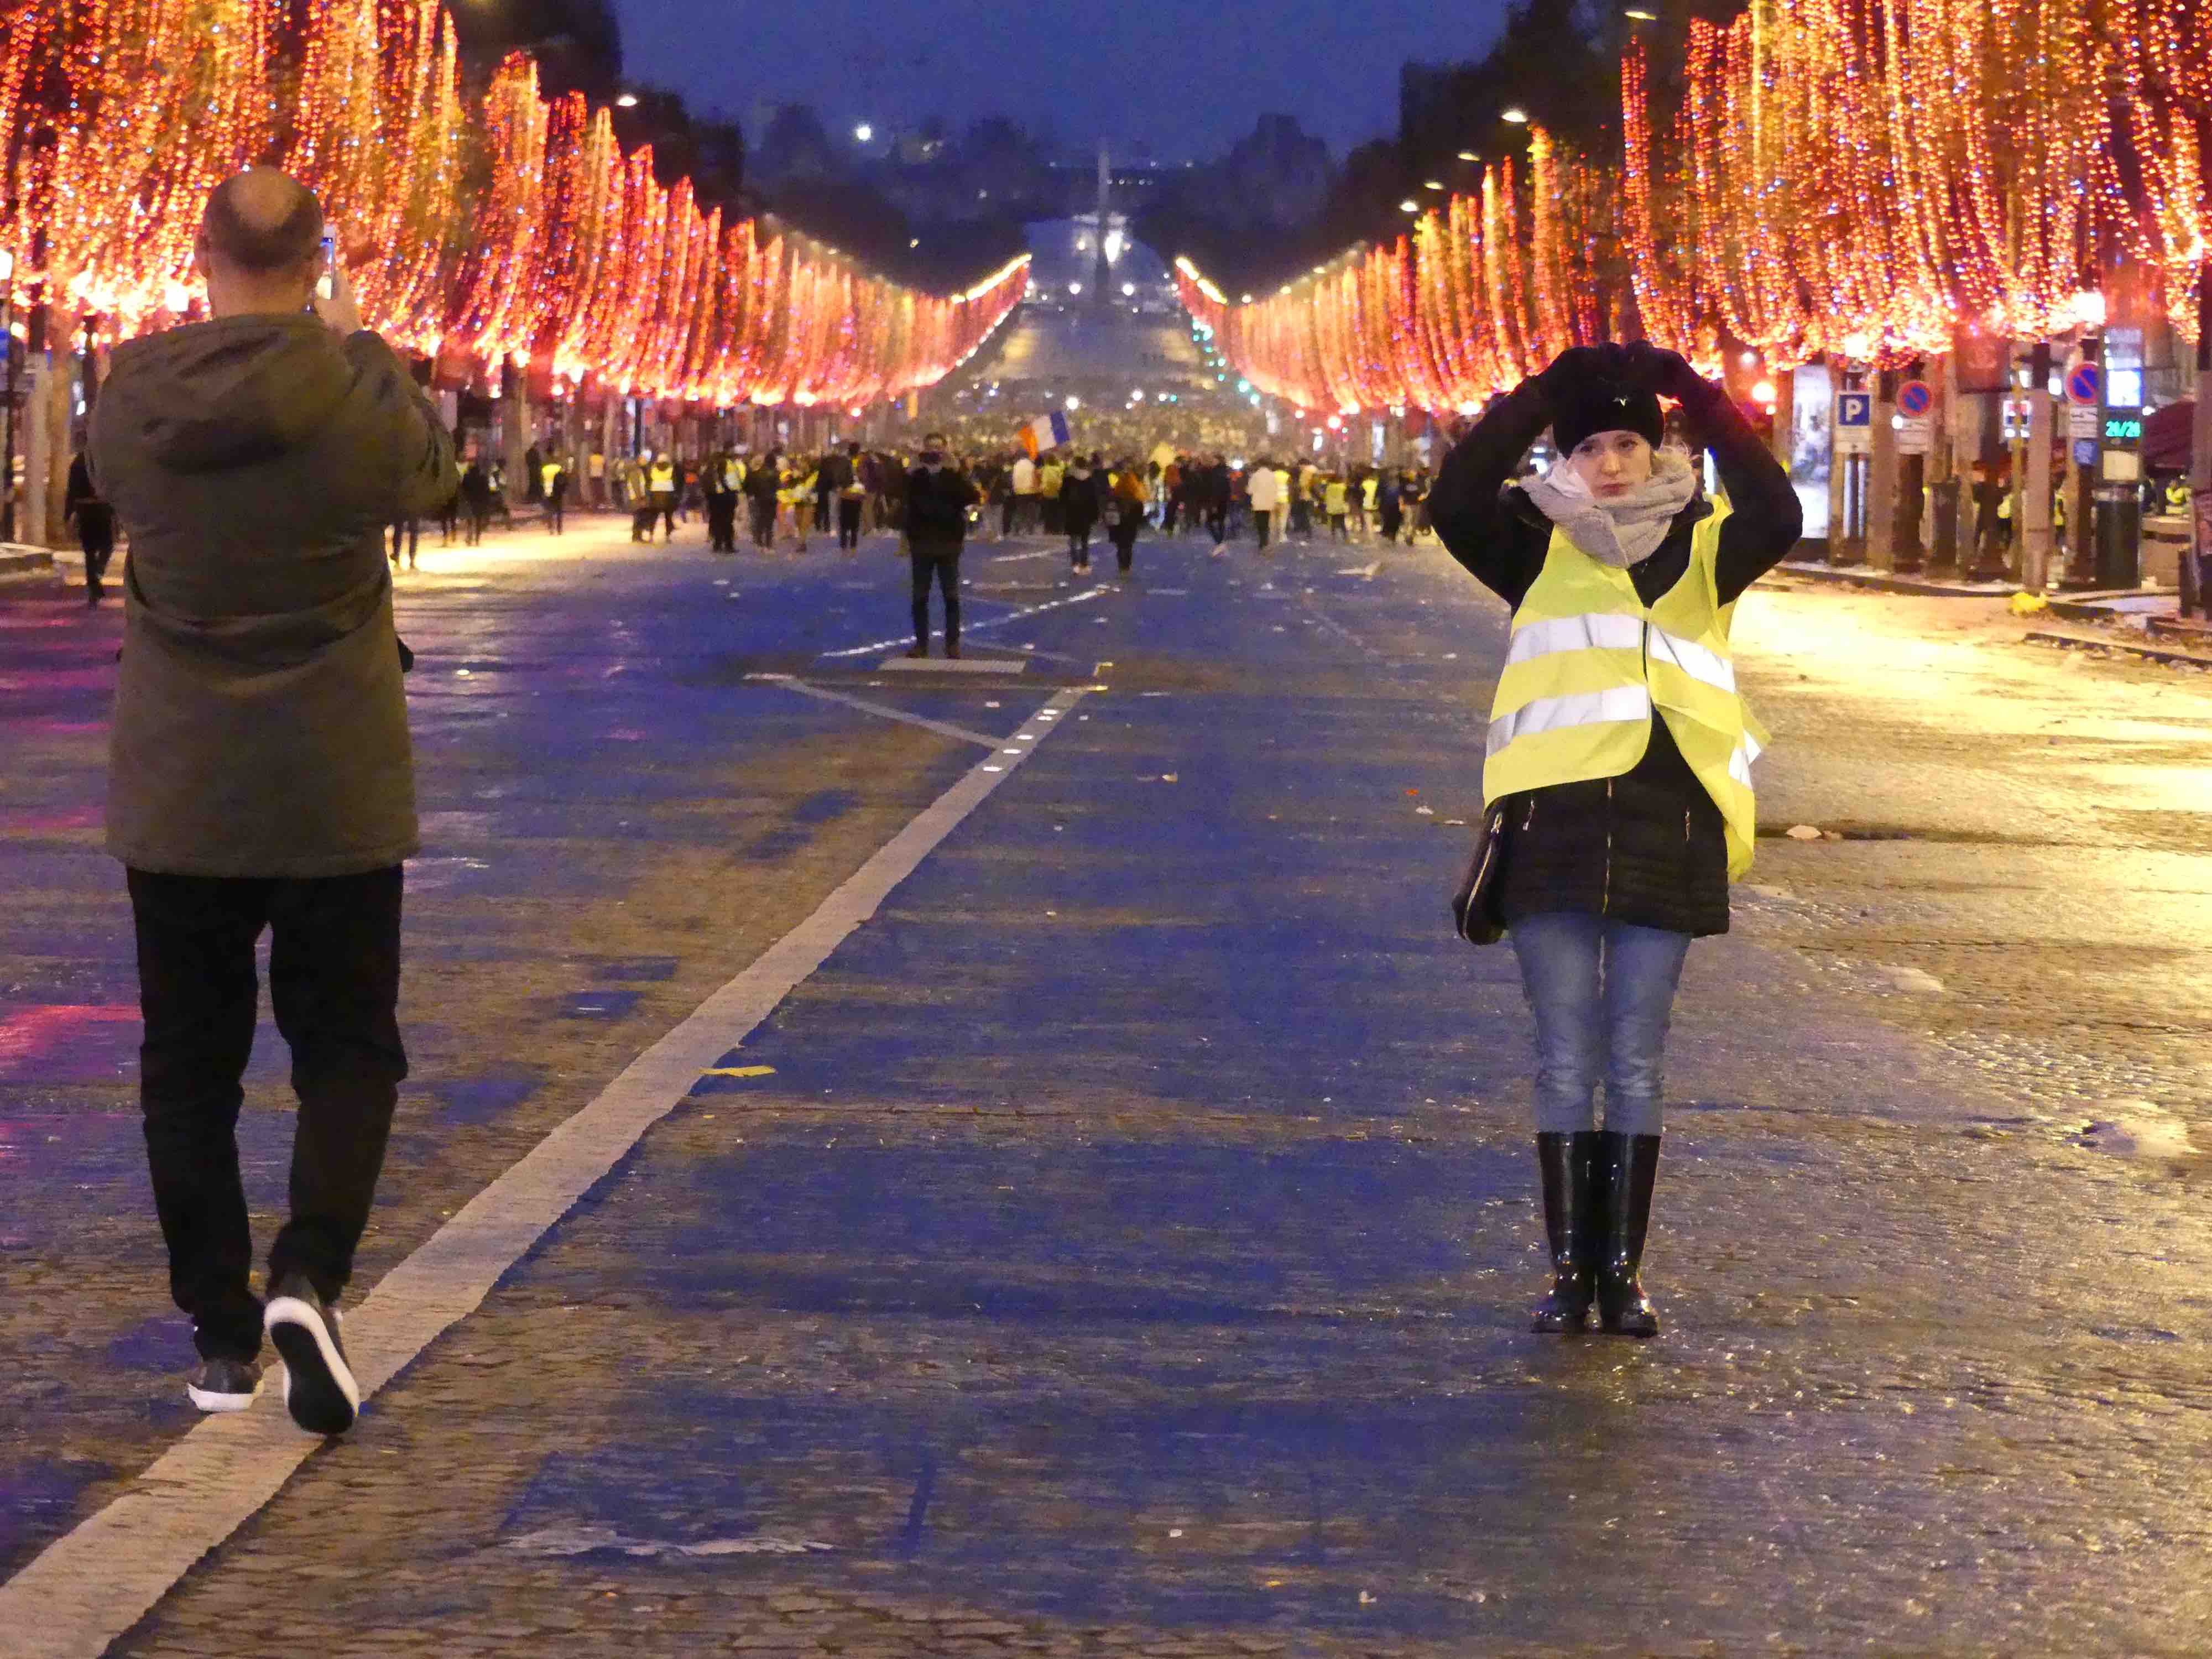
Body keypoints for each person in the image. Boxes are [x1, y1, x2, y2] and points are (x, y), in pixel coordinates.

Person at [90, 166, 458, 1433]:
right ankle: (312, 1269)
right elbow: (434, 472)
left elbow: (111, 491)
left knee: (185, 1066)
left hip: (182, 784)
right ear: (322, 259)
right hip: (335, 779)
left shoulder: (132, 394)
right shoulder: (359, 396)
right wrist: (358, 340)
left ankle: (219, 1331)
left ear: (197, 253)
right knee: (348, 1045)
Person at [1427, 340, 1801, 1339]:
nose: (1613, 462)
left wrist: (1705, 396)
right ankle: (1564, 1274)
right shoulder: (1529, 544)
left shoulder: (1712, 544)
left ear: (1657, 447)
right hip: (1549, 829)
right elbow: (1452, 499)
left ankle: (1622, 1276)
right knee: (1564, 1058)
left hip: (1666, 826)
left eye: (1630, 440)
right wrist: (1540, 394)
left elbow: (1783, 512)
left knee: (1634, 1059)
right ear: (1566, 459)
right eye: (1589, 445)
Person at [904, 430, 977, 658]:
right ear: (923, 449)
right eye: (930, 447)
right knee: (920, 597)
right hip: (922, 543)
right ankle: (921, 644)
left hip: (948, 543)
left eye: (939, 447)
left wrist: (958, 470)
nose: (935, 451)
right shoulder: (916, 476)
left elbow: (971, 496)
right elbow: (897, 493)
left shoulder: (952, 475)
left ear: (946, 449)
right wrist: (909, 470)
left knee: (951, 596)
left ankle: (952, 643)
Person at [65, 448, 116, 605]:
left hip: (85, 509)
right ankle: (97, 575)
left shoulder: (78, 462)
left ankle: (94, 585)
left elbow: (71, 490)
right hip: (101, 508)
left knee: (90, 550)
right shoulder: (104, 460)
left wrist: (68, 513)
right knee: (107, 545)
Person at [1107, 458, 1147, 577]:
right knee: (1128, 545)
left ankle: (1122, 566)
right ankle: (1126, 567)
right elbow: (1140, 503)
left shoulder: (1119, 486)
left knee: (1121, 545)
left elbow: (1113, 500)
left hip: (1120, 521)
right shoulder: (1135, 487)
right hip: (1131, 521)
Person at [1062, 451, 1100, 573]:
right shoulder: (1089, 479)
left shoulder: (1068, 479)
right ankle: (1084, 563)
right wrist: (1095, 515)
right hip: (1085, 514)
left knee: (1073, 540)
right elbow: (1094, 499)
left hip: (1072, 513)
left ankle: (1075, 564)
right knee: (1085, 541)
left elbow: (1062, 497)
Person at [703, 450, 740, 552]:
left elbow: (707, 483)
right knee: (727, 522)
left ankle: (718, 544)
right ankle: (728, 545)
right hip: (726, 497)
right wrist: (730, 491)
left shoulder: (711, 467)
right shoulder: (726, 465)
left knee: (718, 521)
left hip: (716, 498)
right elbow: (727, 480)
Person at [745, 448, 781, 549]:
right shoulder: (775, 473)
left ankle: (759, 539)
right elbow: (778, 486)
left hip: (760, 499)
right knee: (769, 521)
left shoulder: (758, 472)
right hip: (772, 499)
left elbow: (754, 486)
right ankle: (768, 542)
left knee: (760, 519)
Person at [1248, 452, 1280, 551]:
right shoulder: (1273, 476)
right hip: (1269, 503)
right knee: (1266, 522)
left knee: (1259, 522)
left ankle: (1262, 541)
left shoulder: (1255, 476)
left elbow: (1250, 490)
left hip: (1258, 503)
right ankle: (1265, 541)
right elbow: (1275, 489)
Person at [460, 453, 492, 545]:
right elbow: (487, 490)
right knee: (478, 521)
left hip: (470, 501)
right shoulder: (483, 478)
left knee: (470, 521)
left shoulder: (467, 477)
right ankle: (477, 539)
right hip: (480, 502)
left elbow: (463, 489)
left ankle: (469, 537)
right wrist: (487, 501)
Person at [647, 451, 678, 541]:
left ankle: (651, 535)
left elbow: (649, 481)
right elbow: (675, 482)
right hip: (668, 495)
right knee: (668, 517)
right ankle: (668, 536)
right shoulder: (671, 469)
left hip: (656, 495)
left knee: (653, 517)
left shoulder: (653, 469)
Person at [1010, 450, 1039, 535]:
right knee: (1031, 511)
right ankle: (1030, 529)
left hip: (1019, 491)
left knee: (1020, 511)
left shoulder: (1016, 465)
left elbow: (1014, 479)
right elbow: (1034, 478)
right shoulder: (1031, 465)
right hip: (1030, 491)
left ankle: (1017, 529)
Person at [541, 453, 567, 535]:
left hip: (547, 490)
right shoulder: (559, 468)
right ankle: (559, 529)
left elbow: (542, 481)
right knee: (559, 511)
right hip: (558, 492)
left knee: (549, 510)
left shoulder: (544, 469)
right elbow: (564, 479)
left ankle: (551, 528)